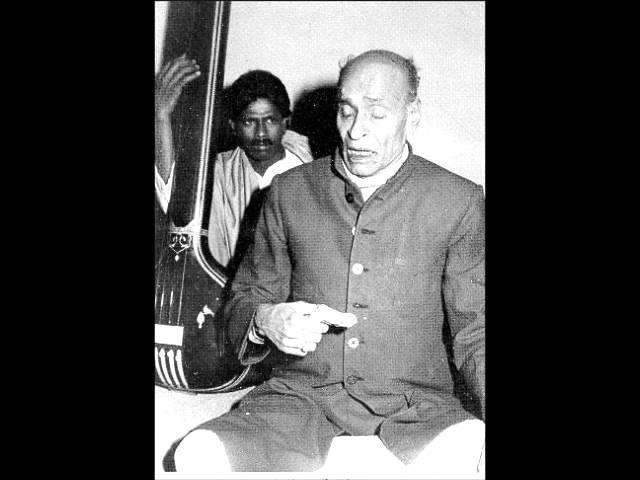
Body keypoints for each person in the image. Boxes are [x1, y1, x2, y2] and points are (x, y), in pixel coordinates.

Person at [173, 49, 485, 476]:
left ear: (412, 114)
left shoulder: (459, 200)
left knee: (468, 448)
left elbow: (477, 330)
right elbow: (244, 298)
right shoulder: (289, 192)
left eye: (377, 114)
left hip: (417, 410)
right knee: (197, 453)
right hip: (299, 401)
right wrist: (265, 320)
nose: (356, 131)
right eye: (347, 111)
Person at [155, 55, 313, 270]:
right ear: (233, 126)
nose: (260, 133)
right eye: (249, 122)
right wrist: (161, 116)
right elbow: (174, 197)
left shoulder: (309, 171)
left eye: (270, 120)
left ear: (286, 122)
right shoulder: (218, 172)